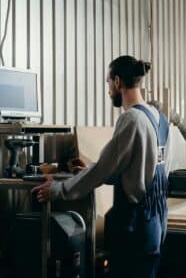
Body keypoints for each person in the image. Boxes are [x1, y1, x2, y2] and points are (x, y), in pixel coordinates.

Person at [32, 55, 171, 278]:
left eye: (108, 83)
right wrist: (87, 171)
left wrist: (57, 190)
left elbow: (102, 171)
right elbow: (139, 169)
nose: (108, 90)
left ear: (117, 82)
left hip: (135, 224)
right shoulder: (161, 119)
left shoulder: (132, 119)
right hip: (156, 221)